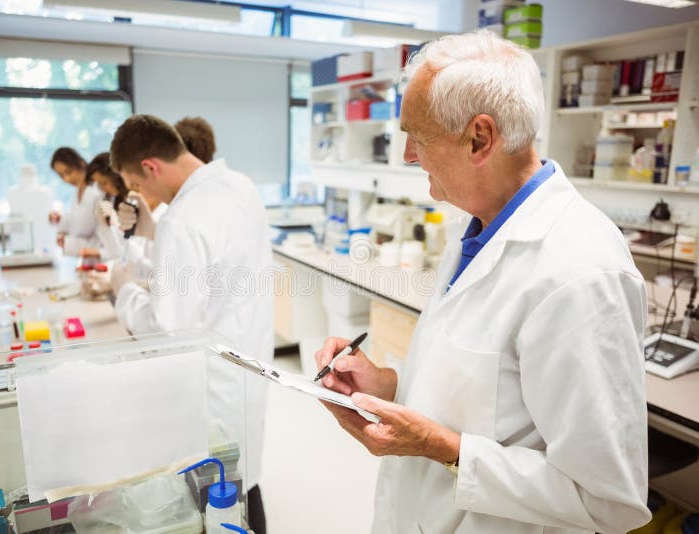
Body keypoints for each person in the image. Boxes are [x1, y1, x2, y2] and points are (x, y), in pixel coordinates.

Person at [314, 30, 651, 533]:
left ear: (479, 138)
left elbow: (608, 498)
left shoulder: (579, 272)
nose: (408, 154)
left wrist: (438, 447)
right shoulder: (478, 228)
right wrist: (390, 385)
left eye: (419, 138)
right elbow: (485, 398)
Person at [108, 115, 273, 534]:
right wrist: (155, 233)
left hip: (212, 383)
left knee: (217, 492)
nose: (142, 195)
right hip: (247, 364)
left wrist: (124, 290)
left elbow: (167, 330)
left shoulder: (183, 218)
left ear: (150, 166)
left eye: (138, 185)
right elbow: (207, 275)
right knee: (243, 482)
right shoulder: (238, 185)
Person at [48, 147, 104, 256]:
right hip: (84, 256)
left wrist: (67, 240)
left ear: (80, 163)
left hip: (99, 256)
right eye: (61, 176)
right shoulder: (78, 191)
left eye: (68, 172)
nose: (67, 179)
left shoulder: (97, 191)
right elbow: (77, 222)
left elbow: (85, 229)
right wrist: (60, 220)